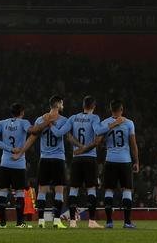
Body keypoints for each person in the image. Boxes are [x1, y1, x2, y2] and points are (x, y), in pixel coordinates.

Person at [0, 103, 36, 228]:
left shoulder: (2, 123)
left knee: (3, 192)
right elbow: (32, 131)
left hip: (5, 163)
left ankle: (2, 223)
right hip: (19, 164)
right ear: (22, 112)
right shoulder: (24, 122)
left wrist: (7, 148)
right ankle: (20, 223)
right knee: (20, 192)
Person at [94, 99, 138, 230]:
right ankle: (127, 222)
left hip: (110, 160)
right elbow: (133, 144)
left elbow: (97, 141)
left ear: (110, 109)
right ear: (122, 109)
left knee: (109, 190)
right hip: (125, 161)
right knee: (127, 190)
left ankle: (109, 222)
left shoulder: (105, 123)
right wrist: (136, 161)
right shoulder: (129, 123)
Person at [29, 96, 70, 228]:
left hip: (44, 158)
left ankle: (41, 221)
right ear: (58, 104)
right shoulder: (64, 120)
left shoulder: (40, 119)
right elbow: (65, 136)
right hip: (58, 158)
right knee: (59, 189)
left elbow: (33, 135)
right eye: (62, 103)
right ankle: (56, 220)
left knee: (42, 190)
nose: (63, 105)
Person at [65, 96, 103, 228]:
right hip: (90, 157)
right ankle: (91, 221)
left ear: (83, 105)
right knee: (91, 189)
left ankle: (72, 221)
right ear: (94, 106)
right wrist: (85, 148)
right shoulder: (95, 118)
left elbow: (67, 135)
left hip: (76, 158)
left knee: (73, 189)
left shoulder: (73, 118)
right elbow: (98, 133)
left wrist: (79, 146)